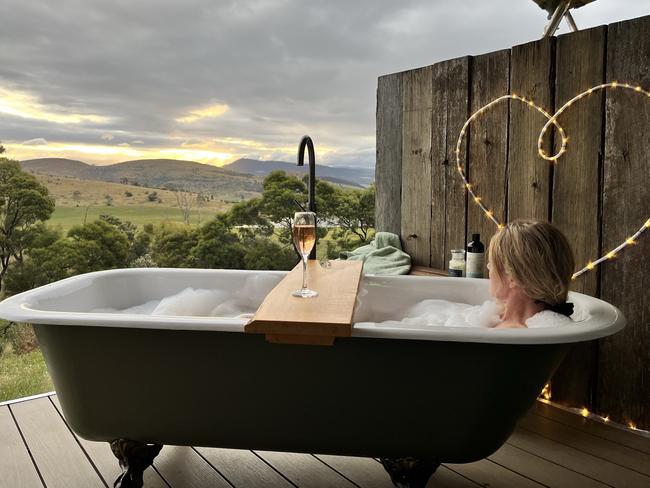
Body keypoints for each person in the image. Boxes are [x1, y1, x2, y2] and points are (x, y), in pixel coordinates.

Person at [487, 219, 575, 329]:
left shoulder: (512, 334)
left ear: (512, 277)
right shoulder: (493, 317)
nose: (488, 268)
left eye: (491, 264)